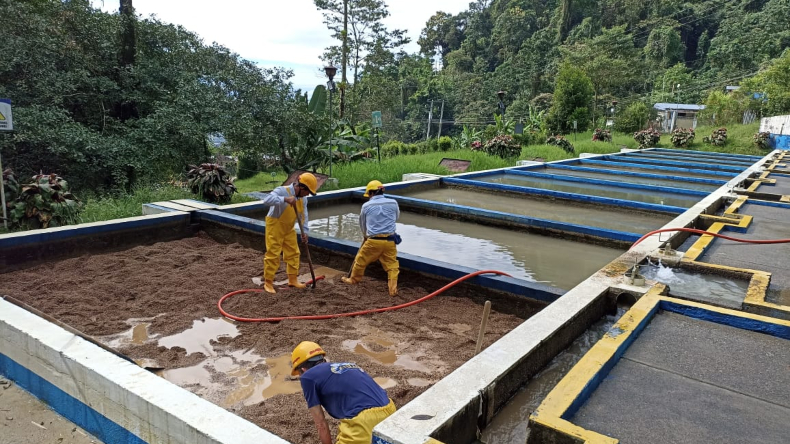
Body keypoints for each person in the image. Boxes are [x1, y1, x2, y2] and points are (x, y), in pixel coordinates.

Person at [291, 341, 396, 444]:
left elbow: (321, 424)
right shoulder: (348, 365)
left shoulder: (308, 377)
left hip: (364, 421)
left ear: (303, 369)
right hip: (390, 410)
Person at [260, 172, 318, 294]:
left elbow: (304, 216)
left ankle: (293, 279)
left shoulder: (303, 199)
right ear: (301, 187)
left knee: (293, 253)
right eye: (307, 191)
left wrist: (305, 231)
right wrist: (285, 199)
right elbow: (266, 200)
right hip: (275, 226)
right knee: (273, 254)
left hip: (289, 228)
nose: (308, 194)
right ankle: (268, 282)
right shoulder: (282, 191)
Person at [341, 180, 401, 296]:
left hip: (373, 241)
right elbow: (396, 217)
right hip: (390, 240)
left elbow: (362, 224)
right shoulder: (393, 203)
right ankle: (393, 290)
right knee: (392, 265)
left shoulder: (366, 206)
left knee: (360, 260)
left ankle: (353, 280)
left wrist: (365, 235)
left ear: (371, 193)